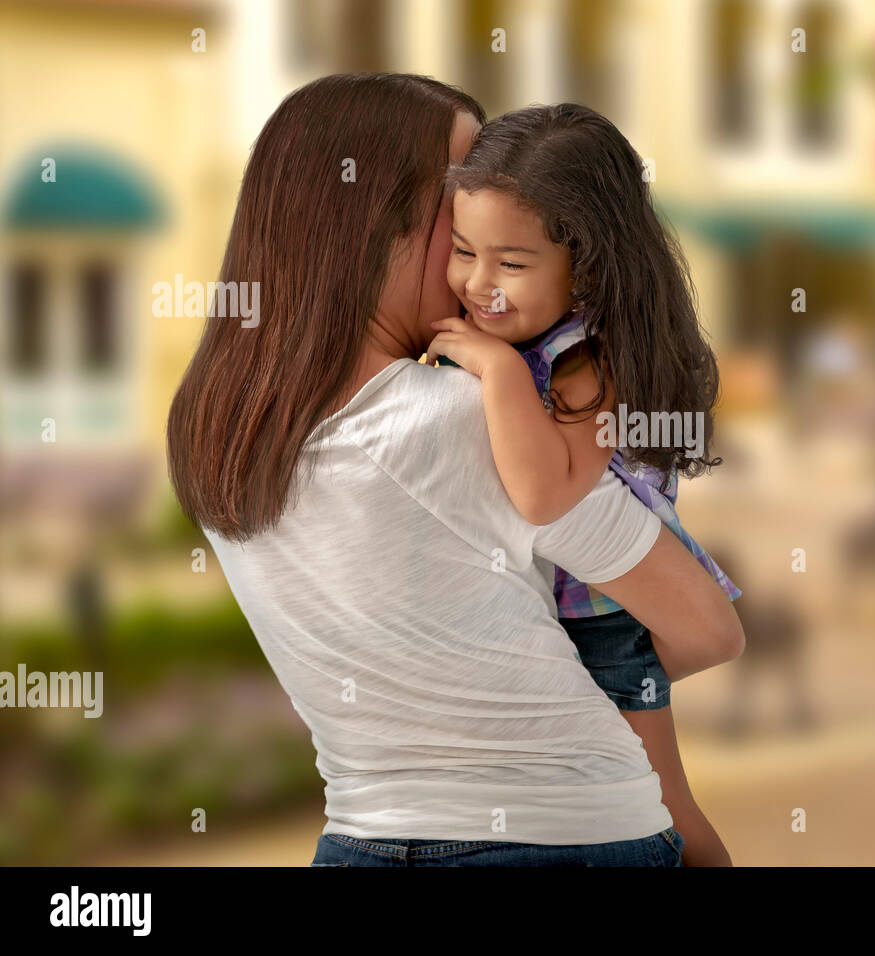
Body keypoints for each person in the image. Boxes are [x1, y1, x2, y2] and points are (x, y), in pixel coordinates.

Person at [165, 73, 743, 867]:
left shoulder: (217, 432)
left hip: (360, 840)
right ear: (381, 222)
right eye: (462, 196)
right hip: (567, 834)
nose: (495, 200)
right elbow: (707, 628)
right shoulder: (479, 414)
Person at [428, 104, 738, 865]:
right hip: (536, 617)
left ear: (588, 267)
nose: (477, 282)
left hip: (604, 626)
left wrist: (497, 370)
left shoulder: (587, 359)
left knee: (661, 806)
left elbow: (545, 494)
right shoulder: (521, 332)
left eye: (512, 262)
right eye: (463, 251)